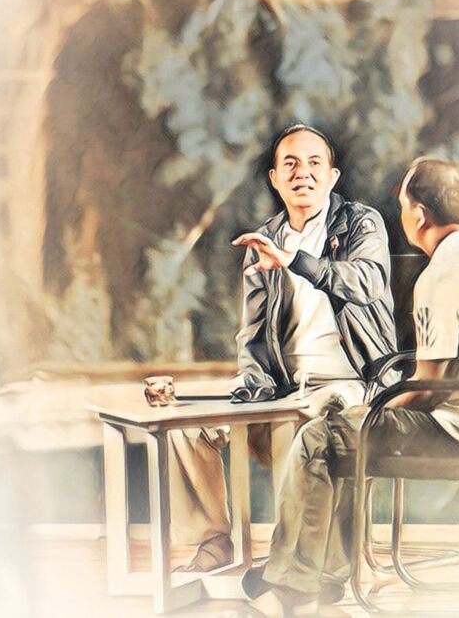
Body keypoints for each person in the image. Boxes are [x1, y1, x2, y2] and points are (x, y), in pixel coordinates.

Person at [242, 157, 459, 617]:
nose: (402, 215)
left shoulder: (443, 275)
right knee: (344, 431)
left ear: (419, 215)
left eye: (404, 206)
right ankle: (325, 576)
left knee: (318, 438)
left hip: (455, 433)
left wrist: (375, 412)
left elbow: (430, 388)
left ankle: (290, 585)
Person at [168, 124, 397, 570]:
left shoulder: (360, 223)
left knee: (315, 431)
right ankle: (214, 541)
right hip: (283, 388)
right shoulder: (264, 240)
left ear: (332, 176)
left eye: (314, 163)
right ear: (274, 178)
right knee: (186, 427)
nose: (302, 173)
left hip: (348, 382)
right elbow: (252, 333)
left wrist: (295, 261)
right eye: (289, 164)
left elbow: (367, 282)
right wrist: (252, 381)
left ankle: (302, 559)